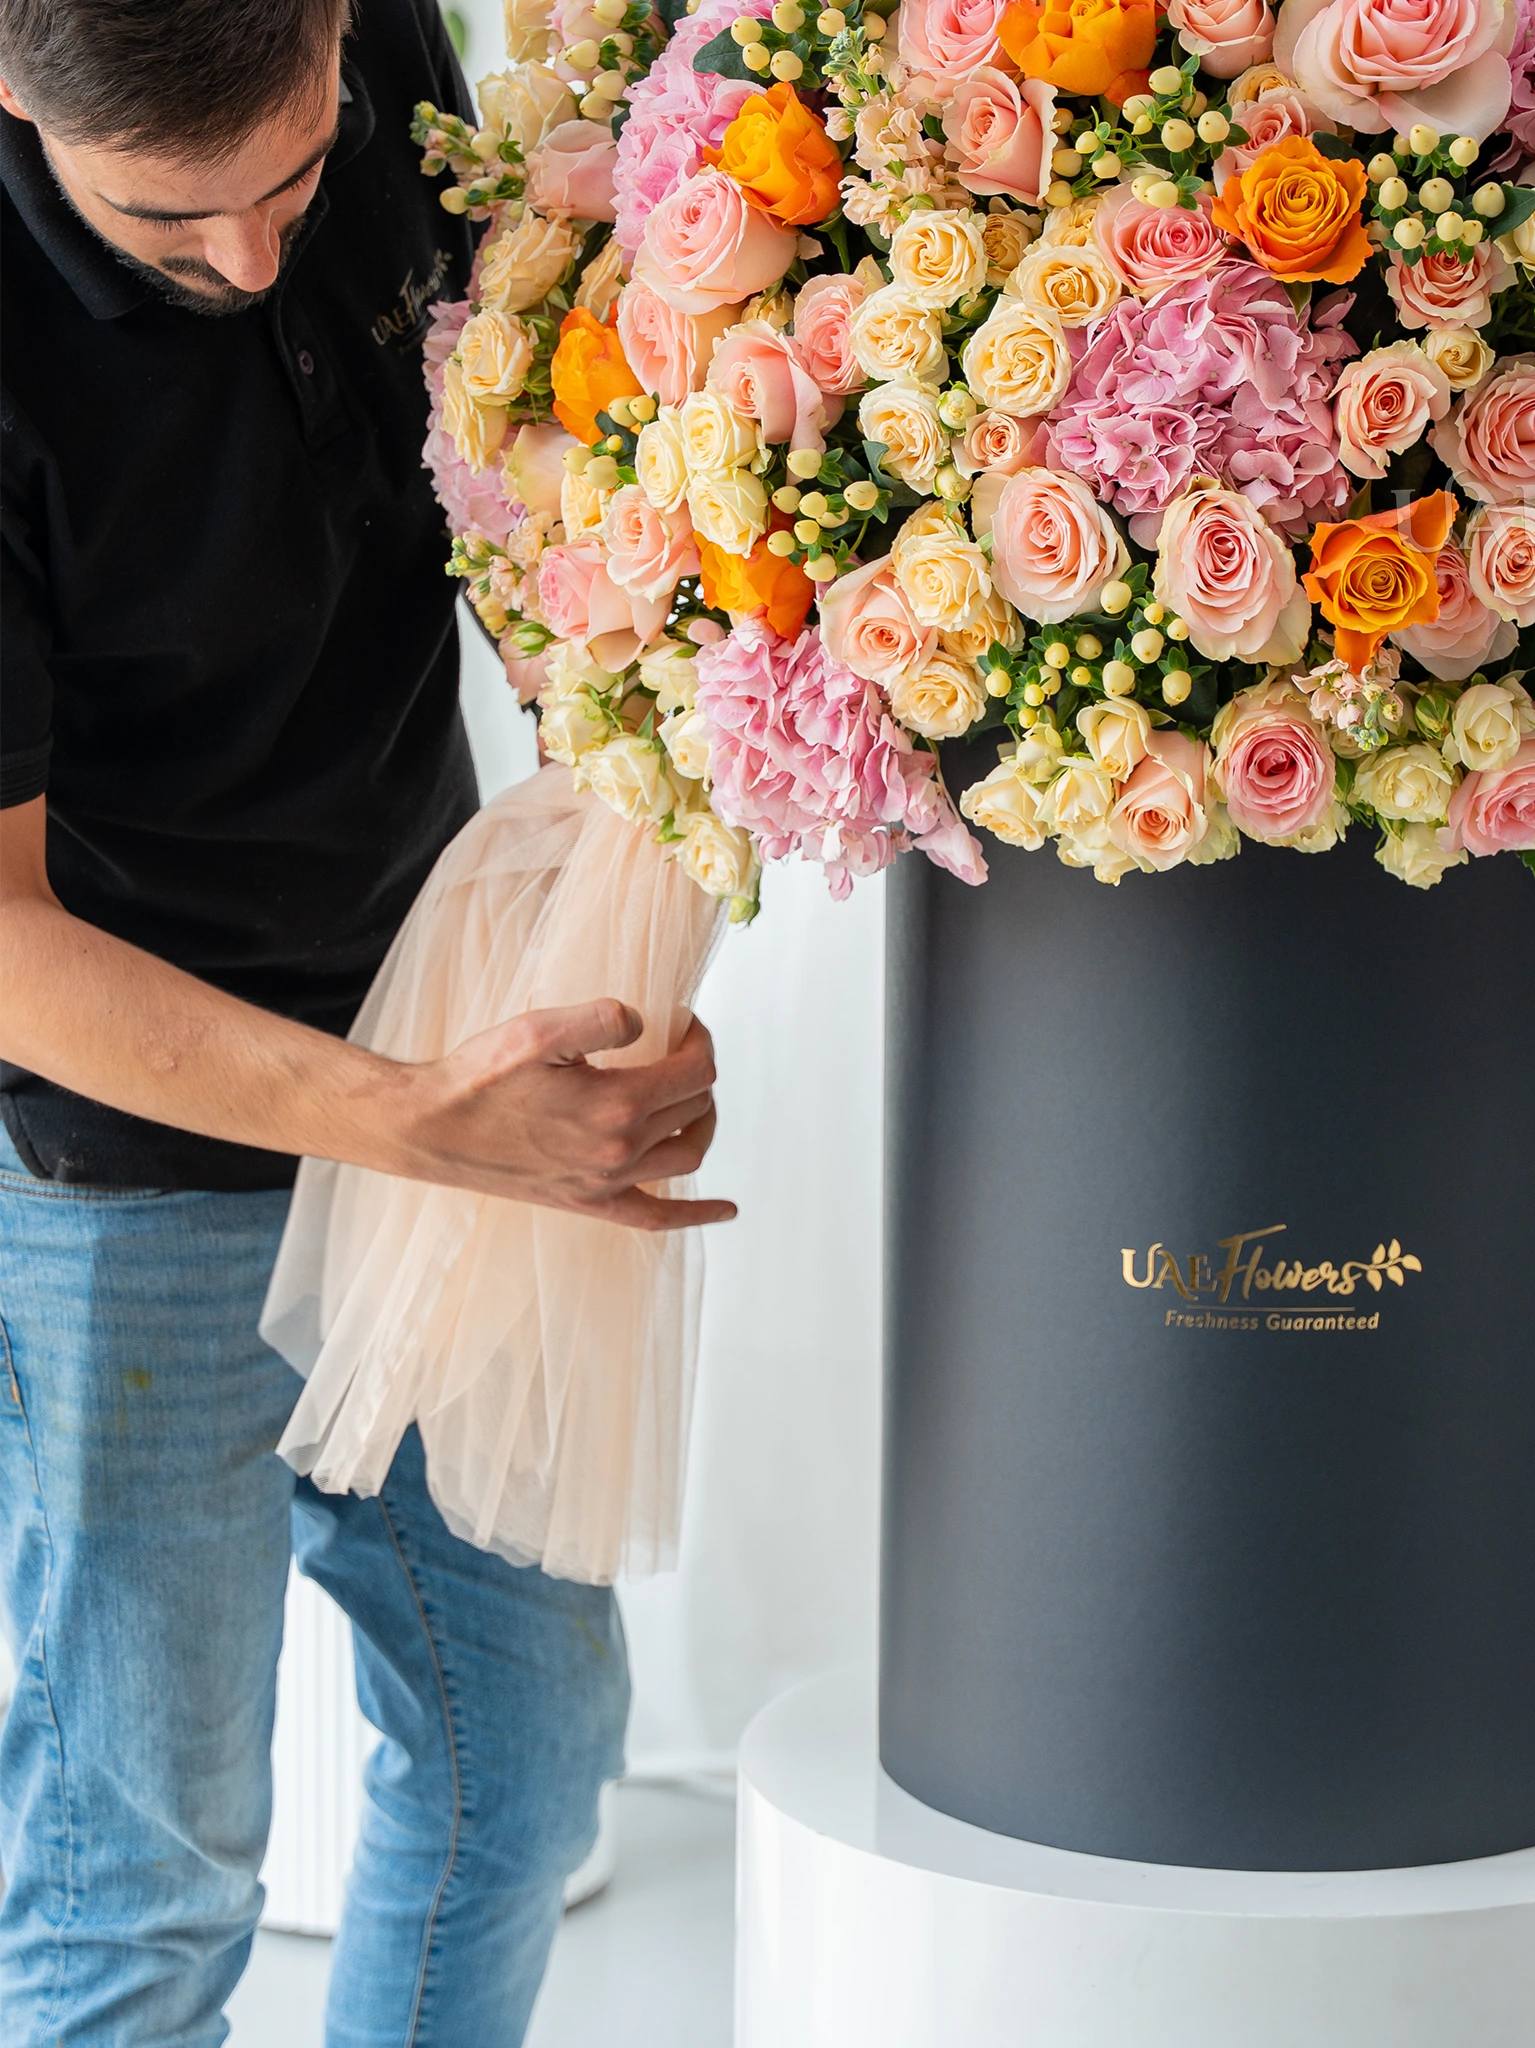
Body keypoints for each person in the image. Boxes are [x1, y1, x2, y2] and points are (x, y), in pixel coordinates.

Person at [0, 2, 734, 2041]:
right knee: (145, 1883)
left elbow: (515, 481)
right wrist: (415, 1117)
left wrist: (630, 936)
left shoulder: (384, 34)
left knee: (529, 1756)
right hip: (123, 1158)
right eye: (164, 213)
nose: (250, 261)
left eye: (297, 178)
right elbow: (0, 932)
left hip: (445, 1040)